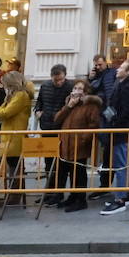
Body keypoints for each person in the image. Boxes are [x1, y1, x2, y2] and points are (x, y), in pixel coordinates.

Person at [102, 60, 129, 216]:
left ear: (128, 72)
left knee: (121, 164)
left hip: (120, 129)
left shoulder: (128, 87)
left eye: (121, 68)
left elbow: (127, 111)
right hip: (117, 127)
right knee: (119, 162)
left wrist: (115, 123)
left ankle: (120, 199)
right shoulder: (120, 84)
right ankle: (122, 195)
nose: (117, 69)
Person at [52, 81, 101, 212]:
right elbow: (57, 120)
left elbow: (93, 125)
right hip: (65, 144)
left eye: (80, 88)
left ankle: (80, 199)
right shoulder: (69, 103)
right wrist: (68, 106)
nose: (76, 90)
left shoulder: (91, 106)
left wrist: (83, 140)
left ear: (85, 92)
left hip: (78, 145)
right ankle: (72, 197)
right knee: (66, 171)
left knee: (78, 172)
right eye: (75, 88)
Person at [0, 70, 32, 206]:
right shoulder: (13, 95)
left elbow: (6, 112)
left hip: (15, 136)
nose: (4, 87)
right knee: (12, 167)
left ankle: (14, 196)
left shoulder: (21, 95)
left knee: (15, 167)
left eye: (5, 84)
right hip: (9, 135)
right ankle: (12, 195)